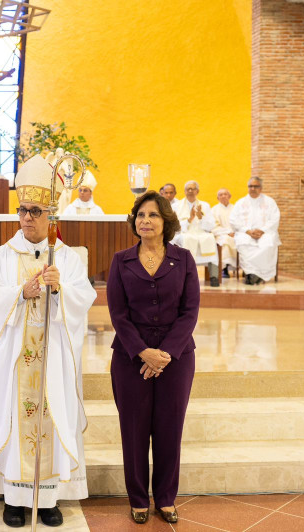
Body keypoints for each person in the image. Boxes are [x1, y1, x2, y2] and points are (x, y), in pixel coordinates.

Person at [0, 153, 96, 528]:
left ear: (50, 215)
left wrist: (60, 291)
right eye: (23, 209)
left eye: (36, 210)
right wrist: (19, 293)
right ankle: (14, 498)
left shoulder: (68, 258)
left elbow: (84, 297)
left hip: (53, 356)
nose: (27, 217)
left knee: (53, 412)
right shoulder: (1, 256)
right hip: (16, 359)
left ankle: (48, 499)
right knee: (15, 416)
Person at [107, 190, 199, 525]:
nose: (145, 221)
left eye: (153, 215)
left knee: (169, 429)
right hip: (131, 358)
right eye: (140, 215)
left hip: (176, 360)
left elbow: (189, 312)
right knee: (133, 430)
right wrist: (143, 351)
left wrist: (166, 354)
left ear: (166, 221)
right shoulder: (121, 260)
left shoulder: (184, 259)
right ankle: (137, 498)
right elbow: (117, 313)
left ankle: (165, 498)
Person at [229, 177, 281, 285]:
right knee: (244, 244)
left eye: (256, 186)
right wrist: (247, 231)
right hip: (246, 233)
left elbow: (275, 219)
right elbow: (233, 220)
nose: (253, 188)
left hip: (265, 233)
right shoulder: (240, 202)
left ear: (261, 188)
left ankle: (258, 275)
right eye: (250, 186)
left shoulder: (270, 202)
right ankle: (251, 273)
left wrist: (262, 230)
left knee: (267, 244)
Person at [172, 180, 220, 287]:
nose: (190, 191)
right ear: (184, 191)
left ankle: (214, 277)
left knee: (210, 238)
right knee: (187, 239)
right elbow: (174, 226)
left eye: (192, 189)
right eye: (188, 189)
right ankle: (186, 276)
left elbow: (211, 225)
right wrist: (189, 220)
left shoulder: (205, 205)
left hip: (201, 233)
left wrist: (200, 217)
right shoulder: (176, 206)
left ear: (197, 191)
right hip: (184, 233)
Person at [211, 187, 236, 277]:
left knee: (244, 241)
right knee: (225, 241)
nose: (223, 196)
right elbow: (213, 226)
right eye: (220, 195)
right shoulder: (214, 210)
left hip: (235, 234)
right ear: (217, 198)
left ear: (229, 196)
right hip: (221, 234)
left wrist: (235, 232)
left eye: (225, 194)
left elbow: (240, 223)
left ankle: (245, 268)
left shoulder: (235, 208)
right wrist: (227, 232)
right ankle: (224, 269)